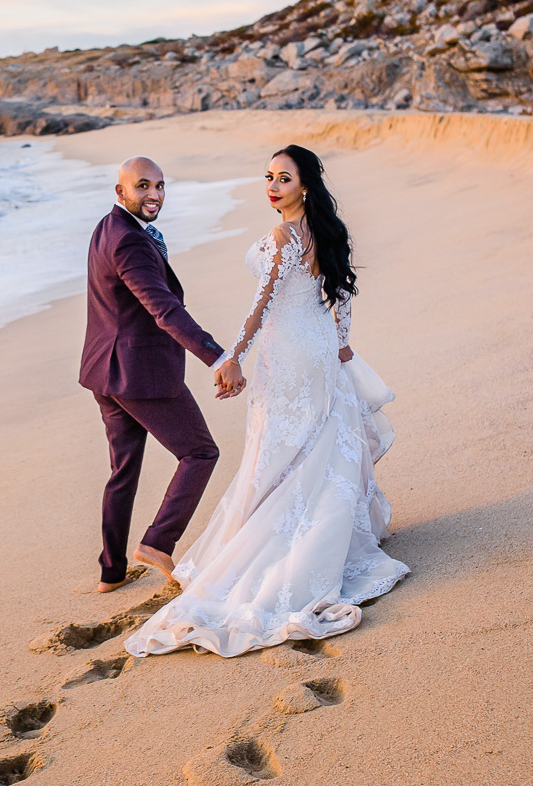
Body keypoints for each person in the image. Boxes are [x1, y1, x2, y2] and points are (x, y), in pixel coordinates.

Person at [125, 145, 408, 657]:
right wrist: (340, 343)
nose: (273, 186)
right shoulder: (328, 232)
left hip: (288, 355)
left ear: (305, 184)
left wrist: (229, 358)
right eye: (268, 176)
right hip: (318, 348)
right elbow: (341, 297)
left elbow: (261, 308)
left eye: (284, 178)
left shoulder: (282, 237)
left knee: (277, 450)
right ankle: (330, 535)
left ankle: (281, 550)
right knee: (316, 444)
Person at [80, 156, 243, 593]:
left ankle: (110, 572)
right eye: (142, 186)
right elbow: (163, 309)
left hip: (104, 372)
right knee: (200, 453)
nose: (153, 194)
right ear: (121, 192)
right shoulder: (129, 243)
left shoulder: (108, 227)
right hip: (141, 373)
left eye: (160, 186)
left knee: (123, 470)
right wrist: (217, 357)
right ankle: (157, 542)